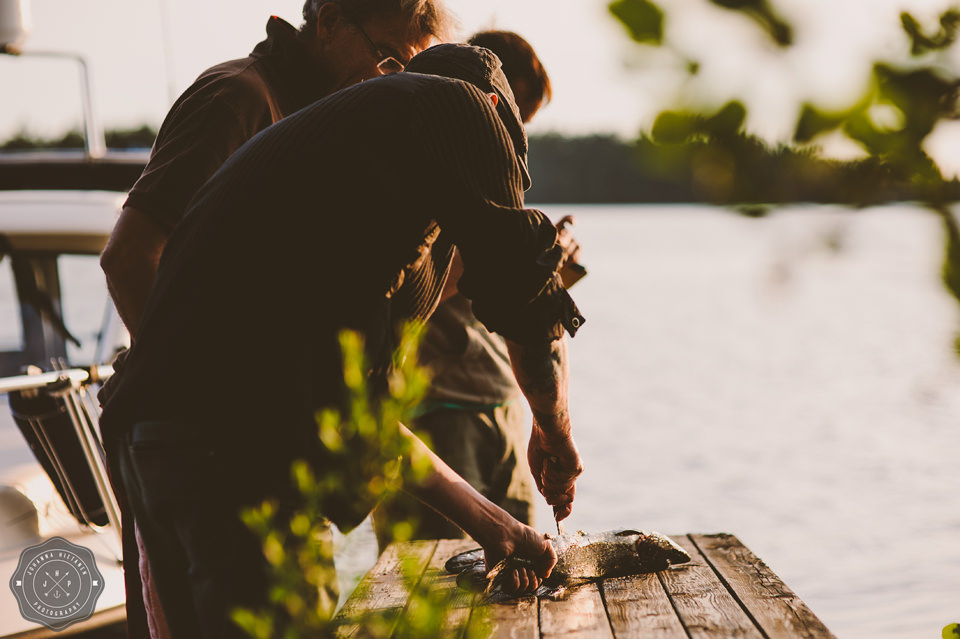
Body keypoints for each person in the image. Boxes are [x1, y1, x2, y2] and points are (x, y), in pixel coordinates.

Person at [99, 44, 584, 639]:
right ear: (491, 110)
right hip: (230, 446)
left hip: (150, 440)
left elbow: (360, 414)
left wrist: (496, 526)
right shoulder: (460, 108)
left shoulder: (345, 169)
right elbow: (525, 298)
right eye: (511, 150)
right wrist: (554, 432)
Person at [100, 0, 453, 337]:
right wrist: (198, 389)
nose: (394, 83)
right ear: (328, 23)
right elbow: (130, 257)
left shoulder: (330, 124)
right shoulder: (236, 100)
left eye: (409, 72)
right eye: (387, 59)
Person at [373, 30, 583, 549]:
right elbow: (399, 292)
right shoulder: (416, 163)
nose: (516, 145)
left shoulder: (489, 179)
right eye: (515, 120)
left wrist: (555, 271)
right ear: (490, 101)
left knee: (520, 578)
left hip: (503, 403)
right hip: (433, 415)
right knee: (432, 589)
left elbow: (522, 314)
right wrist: (493, 263)